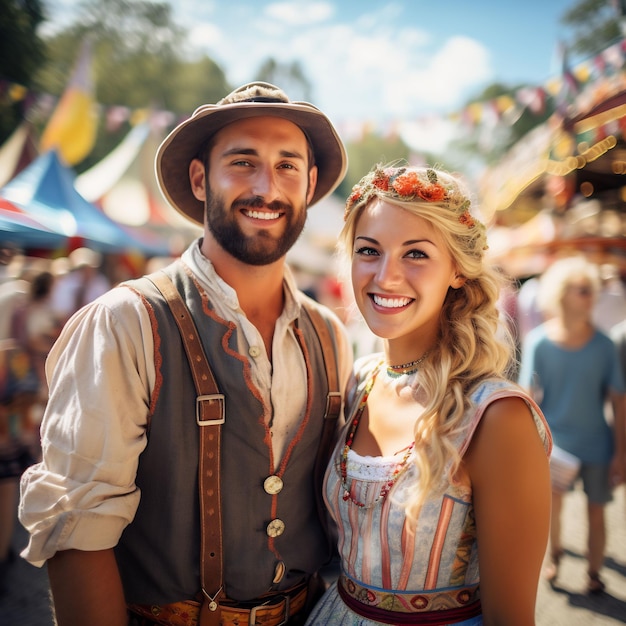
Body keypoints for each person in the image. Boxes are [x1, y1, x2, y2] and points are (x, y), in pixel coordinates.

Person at [18, 81, 353, 626]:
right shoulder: (126, 321)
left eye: (288, 166)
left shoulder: (330, 334)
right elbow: (77, 535)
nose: (267, 187)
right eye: (243, 162)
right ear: (201, 179)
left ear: (310, 184)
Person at [306, 164, 552, 625]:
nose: (387, 276)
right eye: (368, 251)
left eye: (415, 254)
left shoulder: (497, 417)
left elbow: (512, 619)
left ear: (457, 270)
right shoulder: (359, 382)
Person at [518, 256, 625, 594]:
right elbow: (527, 399)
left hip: (598, 444)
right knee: (553, 511)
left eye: (593, 290)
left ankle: (594, 573)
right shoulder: (539, 342)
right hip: (554, 446)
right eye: (583, 290)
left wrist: (622, 452)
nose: (591, 296)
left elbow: (619, 401)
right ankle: (555, 557)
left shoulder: (605, 345)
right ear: (561, 294)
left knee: (597, 513)